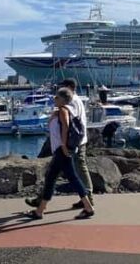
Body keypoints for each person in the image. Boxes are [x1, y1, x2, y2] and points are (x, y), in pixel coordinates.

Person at [24, 88, 95, 220]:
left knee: (71, 178)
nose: (54, 99)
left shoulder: (63, 110)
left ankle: (88, 207)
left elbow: (66, 127)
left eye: (57, 97)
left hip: (61, 150)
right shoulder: (61, 110)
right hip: (60, 150)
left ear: (63, 99)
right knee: (51, 178)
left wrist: (63, 146)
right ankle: (40, 210)